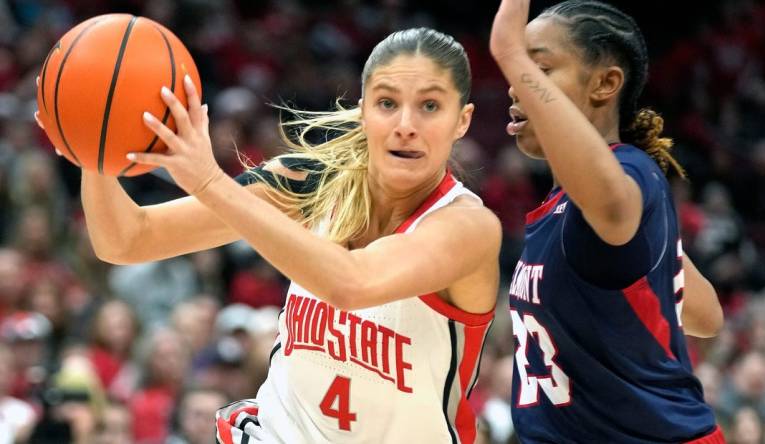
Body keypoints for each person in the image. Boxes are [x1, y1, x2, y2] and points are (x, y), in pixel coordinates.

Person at [38, 27, 500, 443]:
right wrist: (92, 147)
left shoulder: (466, 228)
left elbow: (351, 284)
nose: (405, 124)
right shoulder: (306, 184)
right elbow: (127, 240)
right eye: (386, 102)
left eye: (430, 106)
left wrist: (209, 182)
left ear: (462, 120)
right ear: (363, 112)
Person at [489, 0, 725, 442]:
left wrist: (508, 47)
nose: (514, 84)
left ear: (605, 83)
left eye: (538, 67)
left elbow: (615, 208)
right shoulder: (568, 204)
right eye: (518, 68)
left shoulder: (632, 174)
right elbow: (706, 314)